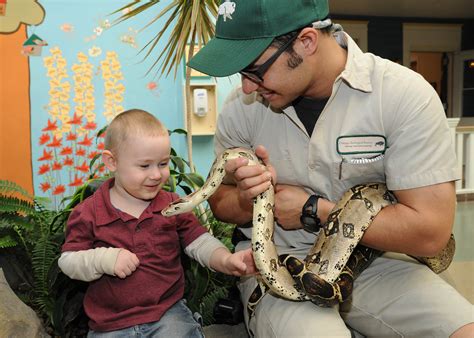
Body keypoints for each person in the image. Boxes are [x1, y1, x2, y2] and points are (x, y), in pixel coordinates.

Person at [187, 0, 474, 337]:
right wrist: (249, 197)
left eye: (253, 69)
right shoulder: (242, 108)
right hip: (280, 262)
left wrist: (313, 210)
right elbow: (220, 204)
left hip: (375, 260)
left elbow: (430, 233)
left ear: (307, 42)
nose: (247, 87)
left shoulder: (403, 96)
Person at [58, 109, 257, 337]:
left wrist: (226, 260)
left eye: (163, 164)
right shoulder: (89, 212)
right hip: (110, 325)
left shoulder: (172, 205)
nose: (156, 175)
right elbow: (68, 261)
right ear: (112, 162)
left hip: (167, 315)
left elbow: (200, 242)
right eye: (145, 166)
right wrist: (104, 258)